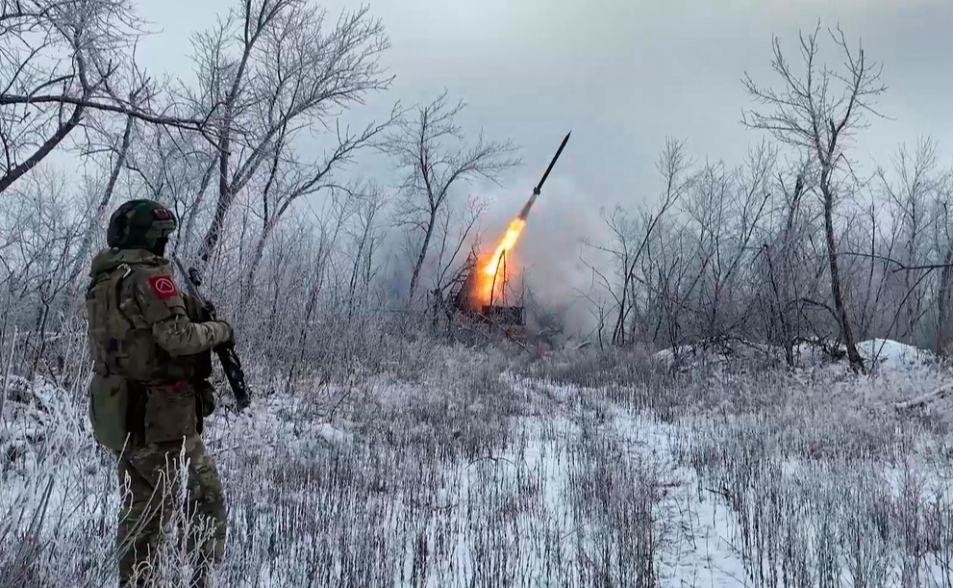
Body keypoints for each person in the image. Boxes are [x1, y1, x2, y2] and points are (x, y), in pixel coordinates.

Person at [85, 199, 234, 588]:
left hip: (119, 413)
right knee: (205, 499)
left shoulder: (104, 279)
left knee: (143, 508)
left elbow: (130, 340)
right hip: (161, 419)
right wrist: (220, 330)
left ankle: (136, 581)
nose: (165, 245)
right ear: (151, 237)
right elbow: (179, 337)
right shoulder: (149, 276)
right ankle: (202, 579)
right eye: (163, 237)